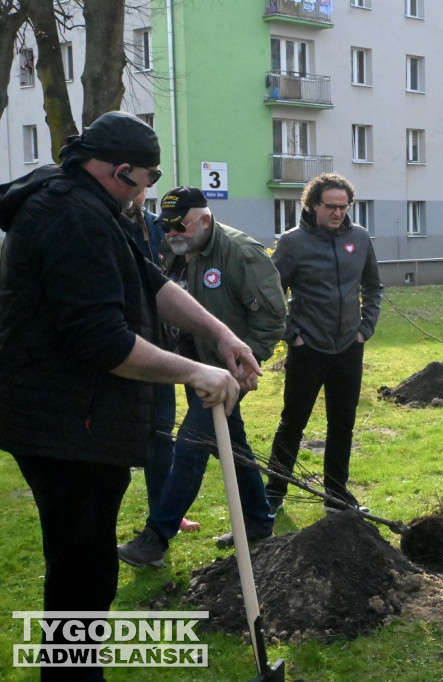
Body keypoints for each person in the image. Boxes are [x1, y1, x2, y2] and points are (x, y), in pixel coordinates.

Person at [0, 111, 258, 680]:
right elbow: (105, 343)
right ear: (120, 171)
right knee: (81, 574)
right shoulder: (69, 217)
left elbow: (152, 282)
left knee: (85, 570)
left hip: (86, 421)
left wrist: (220, 334)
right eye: (145, 182)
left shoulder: (95, 207)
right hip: (65, 426)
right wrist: (196, 372)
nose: (145, 195)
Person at [118, 187, 286, 568]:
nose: (172, 233)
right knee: (233, 445)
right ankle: (259, 521)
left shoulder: (242, 253)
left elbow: (273, 318)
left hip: (229, 371)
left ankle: (155, 539)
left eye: (181, 226)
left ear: (205, 220)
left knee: (191, 445)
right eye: (167, 226)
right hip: (196, 367)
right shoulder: (172, 251)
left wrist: (246, 366)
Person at [266, 173, 383, 515]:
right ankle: (273, 495)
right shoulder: (292, 242)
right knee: (293, 423)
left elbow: (373, 287)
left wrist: (365, 328)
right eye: (331, 206)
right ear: (313, 204)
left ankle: (336, 496)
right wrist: (293, 335)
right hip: (308, 349)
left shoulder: (359, 238)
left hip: (349, 347)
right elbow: (273, 295)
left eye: (343, 207)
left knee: (343, 423)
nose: (337, 213)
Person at [125, 190, 200, 534]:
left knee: (162, 432)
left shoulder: (157, 227)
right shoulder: (103, 225)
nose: (137, 193)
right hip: (119, 347)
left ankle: (163, 511)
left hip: (160, 348)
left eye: (145, 184)